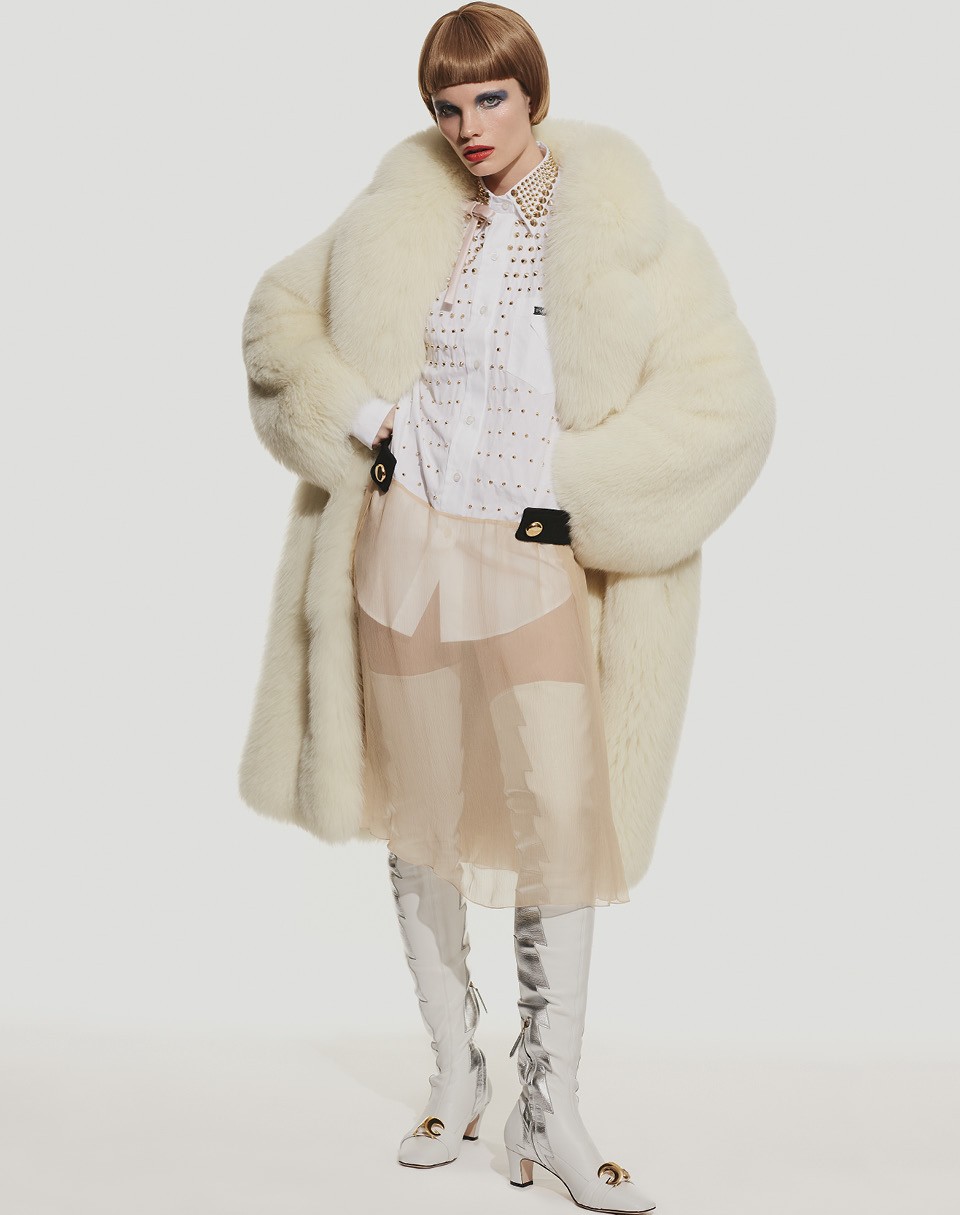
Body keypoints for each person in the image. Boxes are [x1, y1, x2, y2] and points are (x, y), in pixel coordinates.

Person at [237, 4, 775, 1210]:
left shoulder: (624, 229)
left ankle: (552, 1104)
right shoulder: (406, 210)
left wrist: (570, 489)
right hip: (406, 546)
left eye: (489, 97)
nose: (468, 125)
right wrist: (363, 422)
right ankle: (453, 1068)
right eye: (446, 104)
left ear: (533, 92)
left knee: (561, 821)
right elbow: (278, 320)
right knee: (418, 816)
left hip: (532, 556)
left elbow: (728, 408)